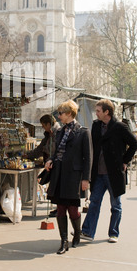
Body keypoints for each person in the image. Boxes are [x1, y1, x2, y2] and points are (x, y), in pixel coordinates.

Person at [80, 99, 137, 243]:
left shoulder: (120, 127)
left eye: (98, 110)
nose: (96, 113)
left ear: (107, 112)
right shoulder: (95, 126)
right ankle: (87, 232)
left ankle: (114, 233)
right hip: (98, 173)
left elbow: (134, 143)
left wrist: (125, 161)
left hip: (113, 173)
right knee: (94, 202)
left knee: (115, 205)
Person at [45, 100, 92, 254]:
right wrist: (50, 160)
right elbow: (56, 151)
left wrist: (86, 179)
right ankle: (63, 241)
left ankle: (77, 233)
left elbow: (88, 157)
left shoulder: (83, 132)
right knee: (60, 209)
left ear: (69, 114)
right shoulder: (59, 131)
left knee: (72, 209)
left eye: (61, 114)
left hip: (73, 176)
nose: (58, 117)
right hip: (58, 174)